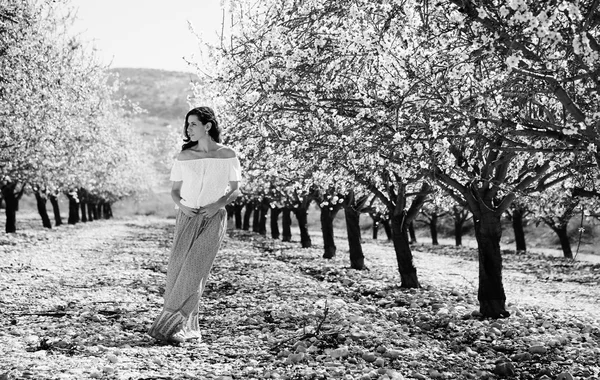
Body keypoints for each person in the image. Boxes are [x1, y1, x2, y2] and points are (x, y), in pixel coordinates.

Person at [148, 106, 242, 344]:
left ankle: (171, 326)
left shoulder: (227, 154)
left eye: (193, 124)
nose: (188, 129)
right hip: (186, 218)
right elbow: (174, 192)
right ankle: (186, 327)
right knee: (177, 271)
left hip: (213, 218)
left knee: (195, 272)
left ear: (207, 126)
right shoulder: (184, 156)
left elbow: (235, 189)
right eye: (187, 124)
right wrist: (181, 206)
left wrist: (217, 204)